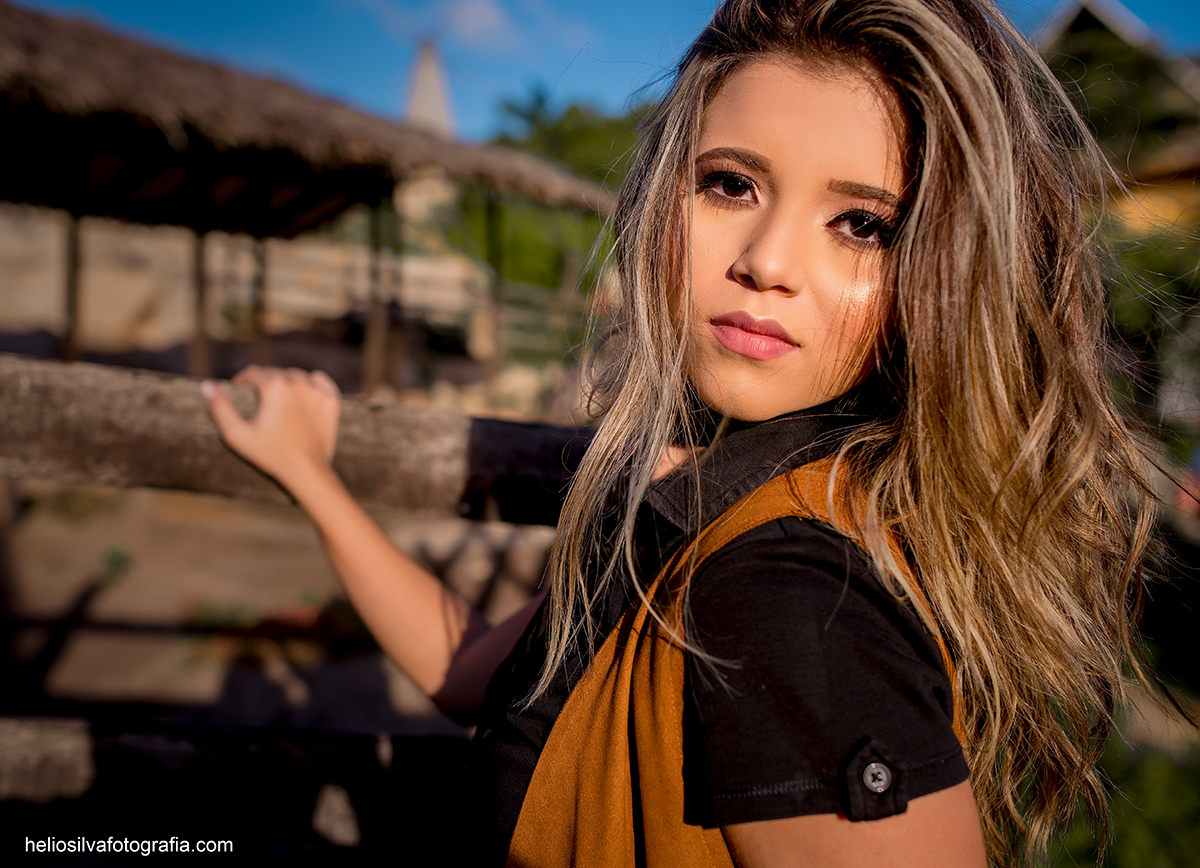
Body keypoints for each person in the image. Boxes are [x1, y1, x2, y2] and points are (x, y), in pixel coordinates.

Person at [202, 0, 1161, 864]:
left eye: (864, 225)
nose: (767, 261)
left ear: (950, 277)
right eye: (732, 185)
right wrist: (313, 476)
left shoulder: (792, 598)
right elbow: (474, 674)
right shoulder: (702, 497)